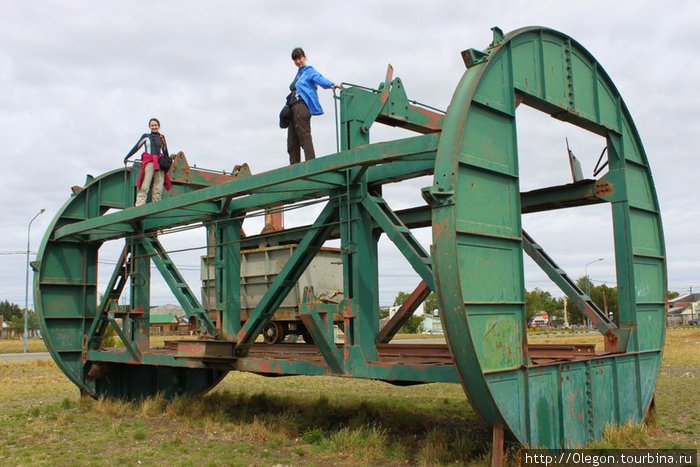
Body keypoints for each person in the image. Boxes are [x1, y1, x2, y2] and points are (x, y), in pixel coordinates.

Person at [286, 47, 341, 165]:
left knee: (304, 136)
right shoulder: (298, 74)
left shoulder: (309, 71)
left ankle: (311, 163)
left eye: (299, 58)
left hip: (301, 106)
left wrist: (332, 85)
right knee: (292, 140)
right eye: (295, 59)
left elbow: (319, 79)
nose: (297, 61)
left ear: (304, 57)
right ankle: (294, 167)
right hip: (292, 108)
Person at [123, 118, 172, 206]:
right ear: (149, 126)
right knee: (145, 185)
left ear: (159, 126)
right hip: (149, 162)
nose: (154, 127)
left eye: (155, 125)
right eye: (152, 125)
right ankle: (139, 205)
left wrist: (168, 162)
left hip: (160, 163)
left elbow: (165, 151)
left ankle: (156, 205)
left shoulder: (162, 137)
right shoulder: (146, 136)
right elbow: (136, 147)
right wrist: (127, 157)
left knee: (158, 186)